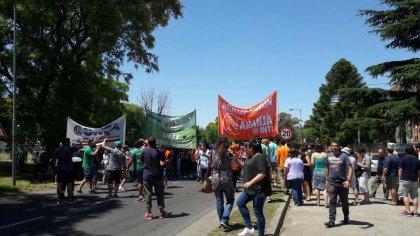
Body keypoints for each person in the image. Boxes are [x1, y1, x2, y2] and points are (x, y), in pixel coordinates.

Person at [236, 138, 270, 236]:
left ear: (251, 148)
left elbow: (263, 173)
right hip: (249, 189)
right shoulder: (249, 157)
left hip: (259, 189)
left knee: (258, 211)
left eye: (246, 146)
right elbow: (245, 166)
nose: (244, 148)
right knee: (240, 203)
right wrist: (237, 160)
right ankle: (249, 227)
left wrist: (250, 182)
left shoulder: (260, 157)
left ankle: (261, 234)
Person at [141, 136, 171, 220]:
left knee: (148, 194)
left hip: (147, 175)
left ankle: (149, 213)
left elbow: (142, 160)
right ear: (155, 142)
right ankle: (162, 212)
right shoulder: (160, 151)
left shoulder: (144, 150)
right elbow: (163, 161)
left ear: (148, 143)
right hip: (157, 175)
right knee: (160, 194)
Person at [324, 142, 352, 228]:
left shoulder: (344, 156)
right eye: (333, 146)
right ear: (331, 147)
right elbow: (327, 167)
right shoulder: (328, 155)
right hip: (332, 181)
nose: (334, 147)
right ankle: (331, 220)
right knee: (332, 201)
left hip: (343, 182)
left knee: (344, 202)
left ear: (339, 147)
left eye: (336, 146)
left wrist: (348, 180)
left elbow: (350, 167)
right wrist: (327, 179)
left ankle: (346, 216)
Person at [210, 135, 235, 232]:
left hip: (215, 178)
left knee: (219, 200)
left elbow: (212, 165)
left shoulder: (213, 153)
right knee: (230, 200)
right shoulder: (227, 155)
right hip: (226, 179)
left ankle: (221, 221)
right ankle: (224, 220)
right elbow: (232, 166)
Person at [52, 138, 80, 204]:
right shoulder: (70, 149)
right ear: (67, 143)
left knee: (59, 184)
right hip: (69, 169)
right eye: (69, 142)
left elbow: (53, 158)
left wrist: (54, 167)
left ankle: (58, 200)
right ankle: (70, 199)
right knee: (69, 184)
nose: (70, 143)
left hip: (60, 169)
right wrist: (79, 142)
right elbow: (80, 147)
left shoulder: (57, 149)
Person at [398, 146, 420, 216]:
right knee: (415, 196)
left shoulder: (403, 159)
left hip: (405, 179)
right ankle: (416, 212)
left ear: (405, 152)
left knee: (404, 195)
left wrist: (399, 179)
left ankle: (408, 211)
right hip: (414, 180)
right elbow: (419, 171)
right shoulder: (417, 160)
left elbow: (400, 170)